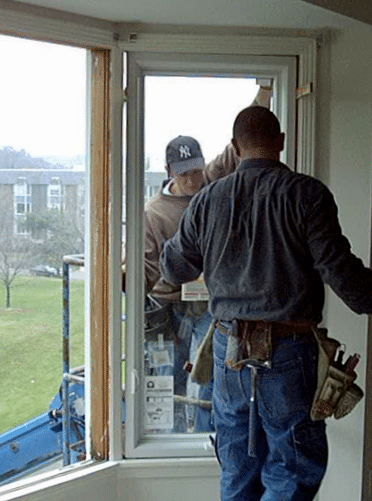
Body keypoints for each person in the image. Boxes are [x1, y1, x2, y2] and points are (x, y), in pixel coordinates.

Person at [159, 106, 372, 499]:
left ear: (234, 146)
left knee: (238, 464)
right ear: (280, 142)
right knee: (293, 468)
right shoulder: (307, 195)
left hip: (229, 352)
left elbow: (173, 268)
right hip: (289, 352)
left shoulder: (207, 199)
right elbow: (338, 268)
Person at [133, 85, 273, 433]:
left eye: (197, 171)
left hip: (206, 306)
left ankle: (205, 436)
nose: (194, 181)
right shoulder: (153, 214)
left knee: (206, 373)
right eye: (185, 175)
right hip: (168, 307)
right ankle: (169, 437)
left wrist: (265, 93)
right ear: (170, 172)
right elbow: (148, 267)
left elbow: (235, 148)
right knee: (168, 376)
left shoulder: (210, 184)